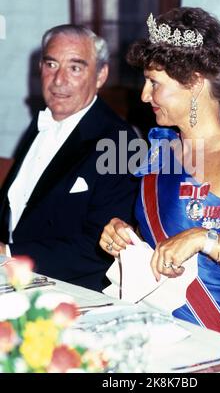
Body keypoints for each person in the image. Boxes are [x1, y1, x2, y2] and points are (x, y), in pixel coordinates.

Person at [99, 7, 220, 342]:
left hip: (215, 340)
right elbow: (167, 232)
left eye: (154, 83)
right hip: (155, 327)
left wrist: (205, 239)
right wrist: (124, 235)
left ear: (194, 84)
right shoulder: (163, 149)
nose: (145, 96)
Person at [0, 24, 138, 291]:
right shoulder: (44, 122)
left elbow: (99, 250)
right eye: (51, 65)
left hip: (70, 293)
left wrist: (8, 253)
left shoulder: (121, 143)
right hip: (15, 279)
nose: (59, 80)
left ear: (100, 75)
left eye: (75, 68)